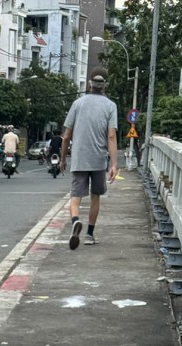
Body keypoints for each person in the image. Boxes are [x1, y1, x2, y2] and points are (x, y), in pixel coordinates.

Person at [60, 72, 118, 249]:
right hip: (99, 159)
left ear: (89, 85)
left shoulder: (77, 104)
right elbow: (111, 135)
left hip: (79, 158)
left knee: (76, 197)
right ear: (104, 86)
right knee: (95, 197)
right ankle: (89, 235)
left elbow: (66, 135)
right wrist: (114, 163)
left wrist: (63, 158)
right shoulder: (110, 106)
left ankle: (76, 221)